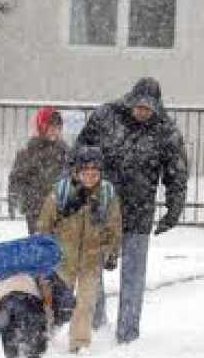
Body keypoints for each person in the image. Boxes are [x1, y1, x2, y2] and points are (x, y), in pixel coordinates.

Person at [75, 77, 188, 343]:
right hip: (101, 206)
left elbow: (177, 173)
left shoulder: (165, 130)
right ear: (130, 100)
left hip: (139, 211)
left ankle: (128, 333)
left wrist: (174, 209)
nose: (142, 112)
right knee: (92, 266)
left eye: (148, 108)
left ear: (157, 107)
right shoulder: (106, 116)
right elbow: (80, 153)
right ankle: (95, 322)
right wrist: (76, 187)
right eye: (139, 106)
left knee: (133, 275)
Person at [37, 147, 122, 353]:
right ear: (77, 172)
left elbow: (114, 226)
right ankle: (44, 334)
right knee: (55, 301)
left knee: (85, 303)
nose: (90, 178)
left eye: (95, 174)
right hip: (62, 259)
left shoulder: (107, 194)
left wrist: (112, 252)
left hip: (92, 259)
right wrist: (43, 249)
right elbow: (45, 222)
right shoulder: (63, 192)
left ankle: (80, 342)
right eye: (85, 174)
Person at [8, 107, 69, 234]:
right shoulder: (29, 152)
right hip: (35, 206)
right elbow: (17, 177)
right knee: (39, 240)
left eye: (57, 127)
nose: (54, 130)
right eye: (50, 126)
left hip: (60, 207)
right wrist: (13, 197)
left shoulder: (65, 152)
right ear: (41, 127)